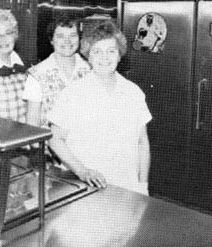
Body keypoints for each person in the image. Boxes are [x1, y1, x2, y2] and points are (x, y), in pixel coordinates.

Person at [47, 20, 152, 195]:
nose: (105, 58)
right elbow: (54, 139)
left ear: (119, 55)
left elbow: (142, 144)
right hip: (86, 186)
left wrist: (143, 185)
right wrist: (82, 171)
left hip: (127, 186)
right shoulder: (73, 92)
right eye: (97, 51)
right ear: (88, 56)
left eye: (111, 51)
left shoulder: (133, 92)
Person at [23, 17, 90, 128]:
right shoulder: (37, 75)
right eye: (60, 36)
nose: (67, 41)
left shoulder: (90, 70)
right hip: (50, 142)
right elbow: (32, 125)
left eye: (73, 36)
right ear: (52, 40)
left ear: (79, 39)